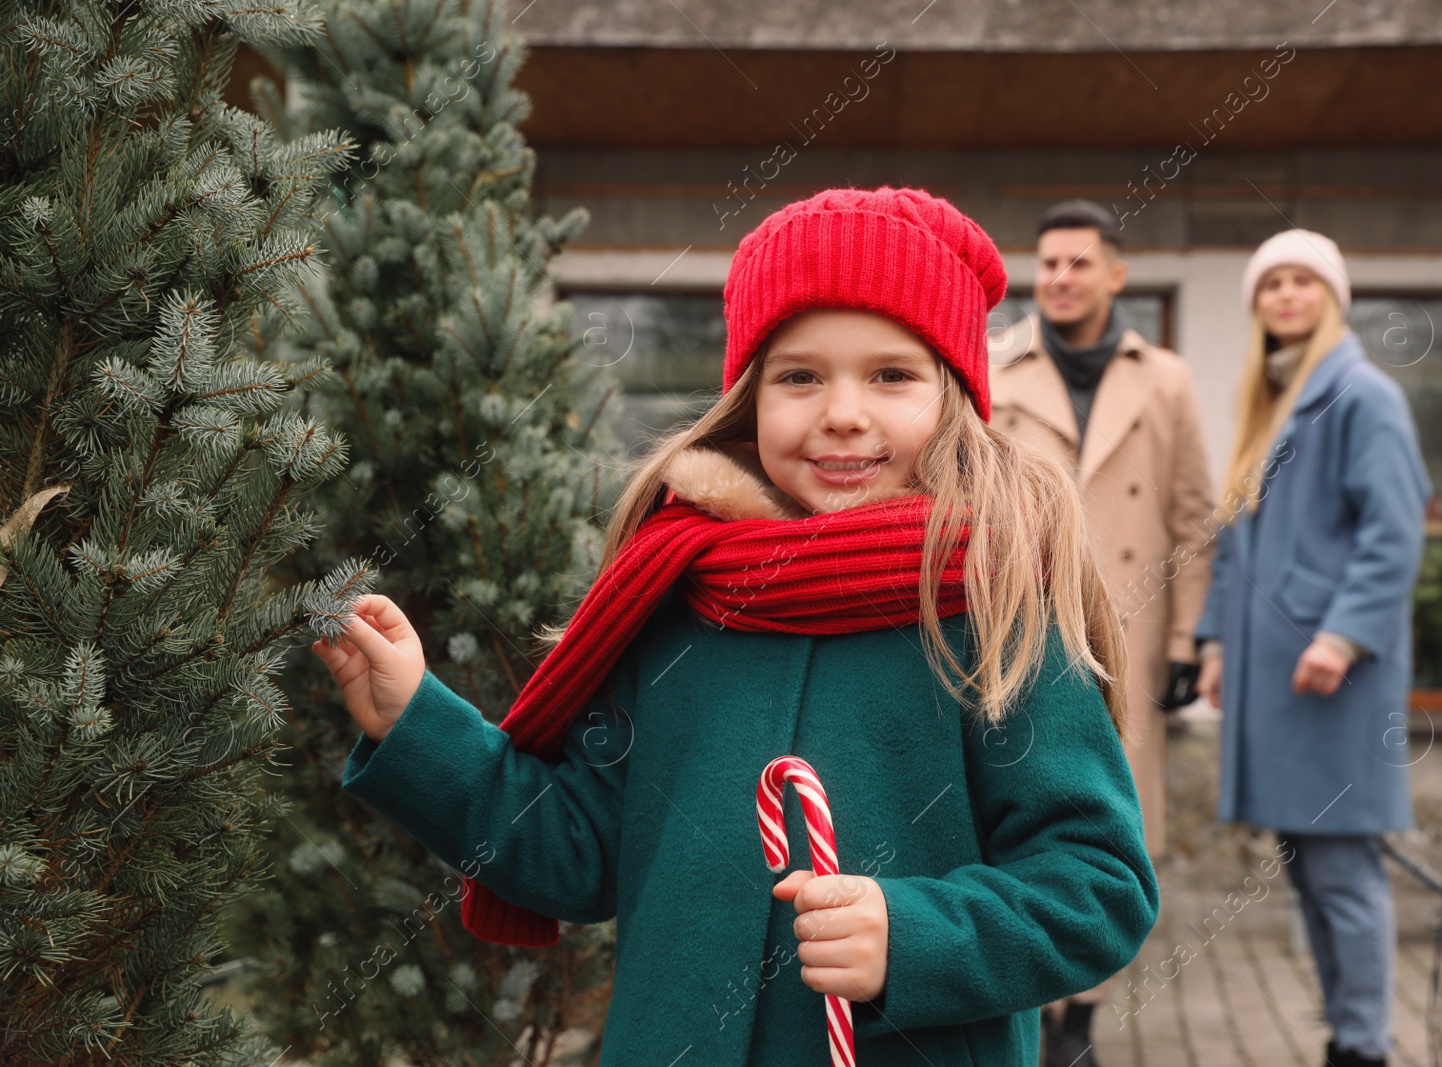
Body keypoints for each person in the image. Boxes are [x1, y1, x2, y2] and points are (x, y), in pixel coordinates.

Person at [311, 187, 1160, 1067]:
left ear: (955, 396)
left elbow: (1098, 886)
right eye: (799, 375)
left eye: (891, 374)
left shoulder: (996, 606)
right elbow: (574, 854)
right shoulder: (678, 594)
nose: (842, 412)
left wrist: (914, 935)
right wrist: (415, 721)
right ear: (749, 397)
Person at [1193, 229, 1429, 1067]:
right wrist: (1216, 641)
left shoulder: (1363, 395)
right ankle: (1347, 1037)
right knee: (1307, 865)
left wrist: (1342, 634)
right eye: (1271, 282)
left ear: (1332, 297)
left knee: (1343, 870)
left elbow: (1394, 532)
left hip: (1333, 679)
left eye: (1303, 281)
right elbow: (1237, 545)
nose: (1285, 295)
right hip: (1277, 679)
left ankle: (1365, 1046)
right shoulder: (1269, 403)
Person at [988, 200, 1215, 1066]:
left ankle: (1081, 1022)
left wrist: (1190, 641)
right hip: (1021, 629)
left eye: (1080, 262)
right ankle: (1034, 1007)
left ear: (1116, 274)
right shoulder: (1000, 370)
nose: (1061, 277)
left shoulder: (1166, 379)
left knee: (1111, 823)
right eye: (1048, 263)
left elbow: (1195, 519)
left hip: (1129, 633)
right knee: (1018, 806)